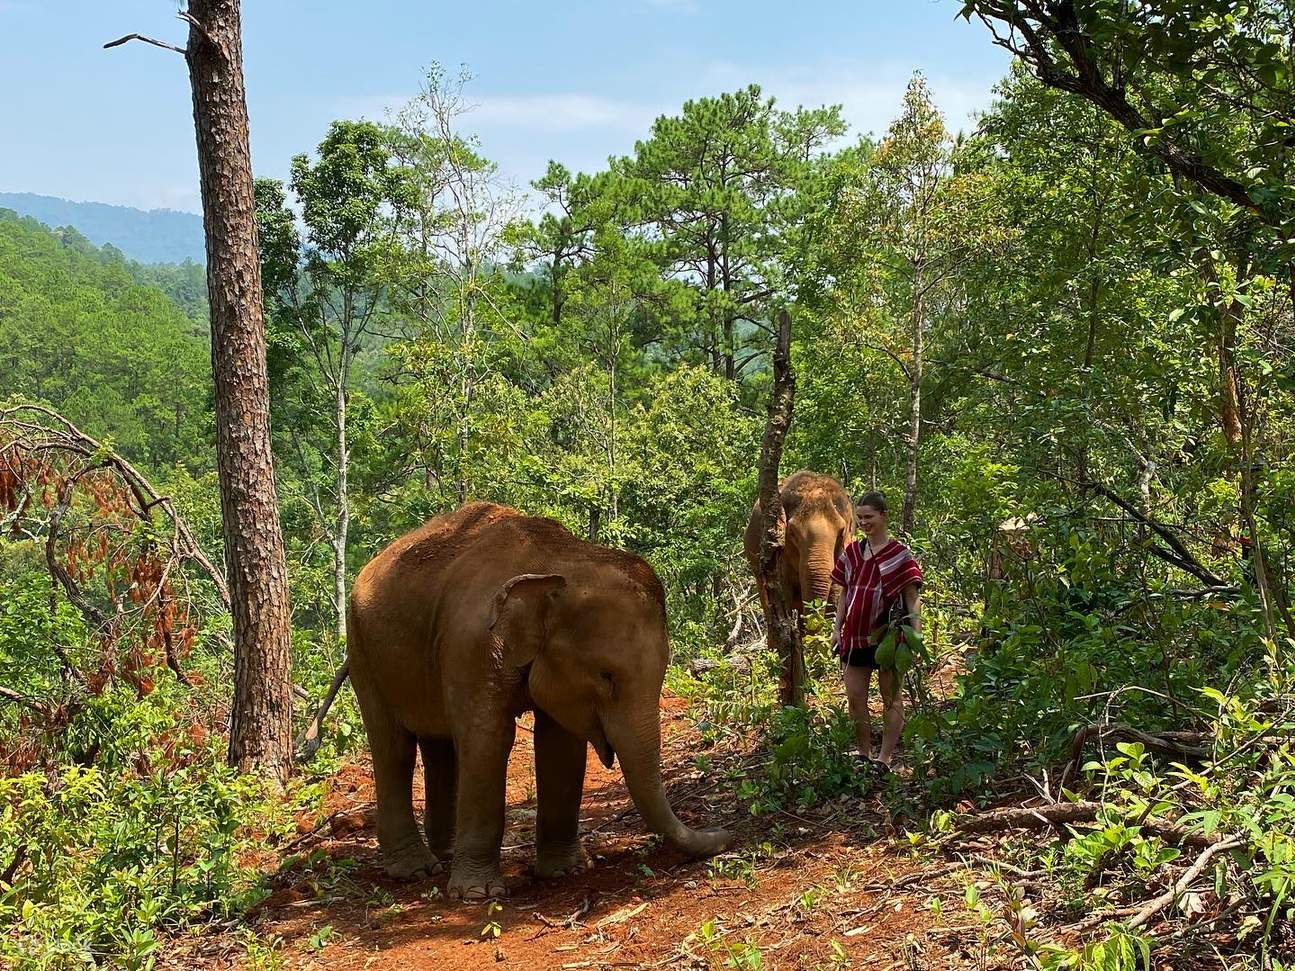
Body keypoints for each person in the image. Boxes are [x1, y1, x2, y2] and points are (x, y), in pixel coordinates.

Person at [829, 491, 923, 768]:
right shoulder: (853, 553)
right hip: (855, 637)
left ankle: (884, 758)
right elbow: (845, 592)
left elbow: (911, 599)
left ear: (884, 516)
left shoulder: (900, 556)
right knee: (856, 698)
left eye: (869, 517)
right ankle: (863, 754)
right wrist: (837, 628)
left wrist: (915, 636)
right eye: (860, 518)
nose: (864, 523)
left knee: (890, 698)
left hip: (888, 638)